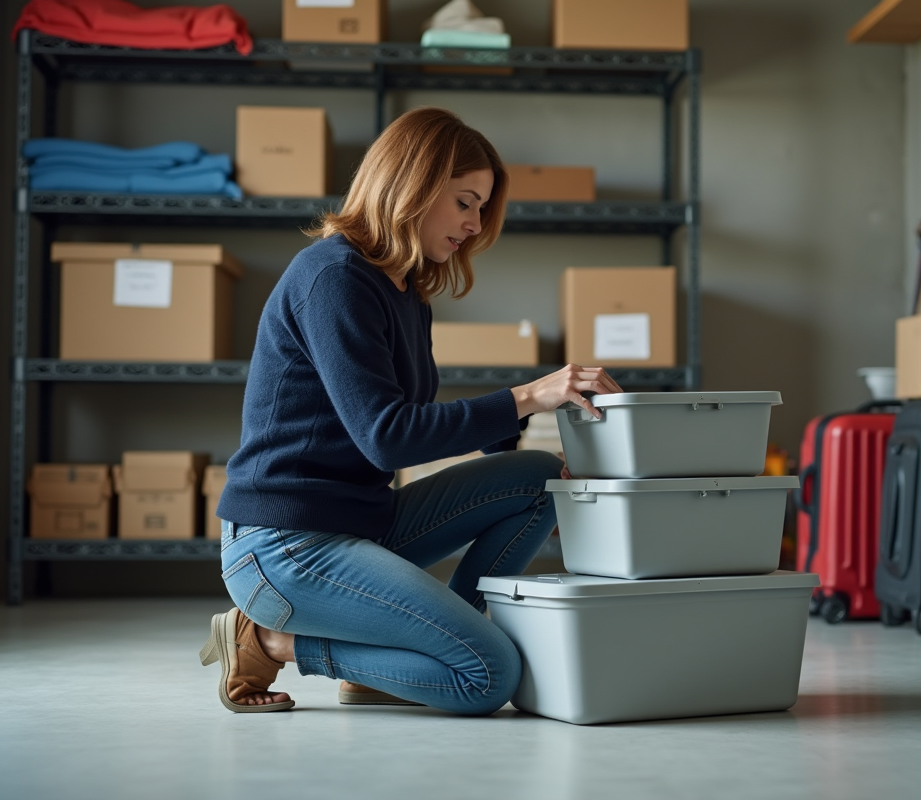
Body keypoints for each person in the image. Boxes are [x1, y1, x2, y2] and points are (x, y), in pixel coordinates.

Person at [201, 107, 622, 715]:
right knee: (486, 677)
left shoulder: (404, 290)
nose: (475, 225)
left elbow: (413, 421)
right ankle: (269, 640)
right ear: (413, 186)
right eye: (465, 202)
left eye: (481, 209)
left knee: (538, 482)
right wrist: (528, 396)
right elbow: (387, 438)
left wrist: (531, 436)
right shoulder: (334, 277)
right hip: (284, 548)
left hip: (359, 523)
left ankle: (409, 654)